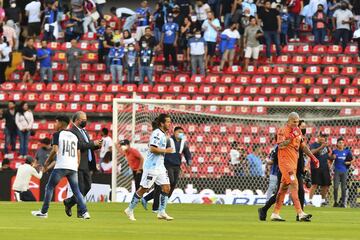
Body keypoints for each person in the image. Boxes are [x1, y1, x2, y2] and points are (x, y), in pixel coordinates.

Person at [32, 115, 90, 219]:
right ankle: (85, 212)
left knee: (49, 187)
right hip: (72, 167)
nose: (55, 124)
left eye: (56, 122)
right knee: (77, 191)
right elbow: (78, 152)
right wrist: (76, 164)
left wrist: (46, 162)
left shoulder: (57, 134)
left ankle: (44, 212)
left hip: (61, 166)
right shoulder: (74, 135)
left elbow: (54, 150)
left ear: (61, 123)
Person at [270, 112, 320, 222]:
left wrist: (313, 157)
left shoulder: (298, 132)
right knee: (294, 184)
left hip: (293, 164)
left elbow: (303, 147)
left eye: (297, 122)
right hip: (284, 162)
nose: (296, 124)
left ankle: (275, 213)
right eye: (294, 122)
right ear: (289, 120)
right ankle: (300, 213)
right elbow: (281, 145)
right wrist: (291, 136)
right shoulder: (282, 130)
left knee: (283, 189)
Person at [125, 114, 174, 221]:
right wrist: (166, 150)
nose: (169, 124)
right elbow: (152, 149)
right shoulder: (157, 133)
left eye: (170, 122)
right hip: (151, 167)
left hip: (160, 166)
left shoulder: (163, 134)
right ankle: (129, 209)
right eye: (167, 122)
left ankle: (161, 212)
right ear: (162, 123)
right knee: (144, 189)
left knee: (166, 187)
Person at [259, 119, 311, 221]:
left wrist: (306, 165)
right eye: (302, 127)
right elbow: (275, 156)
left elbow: (302, 154)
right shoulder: (286, 140)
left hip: (297, 170)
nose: (303, 130)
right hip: (285, 169)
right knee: (283, 191)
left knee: (297, 191)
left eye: (304, 128)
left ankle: (296, 214)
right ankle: (265, 209)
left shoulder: (299, 139)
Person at [141, 126, 192, 211]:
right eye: (179, 132)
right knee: (169, 182)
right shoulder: (168, 140)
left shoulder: (184, 143)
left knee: (172, 185)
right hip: (166, 165)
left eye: (182, 132)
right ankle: (157, 206)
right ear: (174, 132)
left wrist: (189, 161)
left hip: (177, 166)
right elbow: (158, 146)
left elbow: (187, 152)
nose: (180, 134)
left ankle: (151, 200)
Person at [63, 111, 102, 218]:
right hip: (78, 163)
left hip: (87, 164)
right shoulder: (72, 131)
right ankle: (81, 212)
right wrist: (91, 144)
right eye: (83, 119)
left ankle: (69, 202)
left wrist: (96, 145)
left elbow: (86, 146)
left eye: (85, 119)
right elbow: (78, 145)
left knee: (87, 187)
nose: (85, 121)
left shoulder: (83, 131)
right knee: (80, 189)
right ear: (76, 120)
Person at [309, 132, 332, 206]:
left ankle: (323, 201)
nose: (322, 138)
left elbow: (327, 156)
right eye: (321, 136)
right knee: (314, 184)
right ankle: (310, 201)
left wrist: (332, 157)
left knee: (325, 184)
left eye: (324, 137)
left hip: (324, 167)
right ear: (317, 137)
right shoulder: (314, 145)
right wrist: (321, 147)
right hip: (315, 167)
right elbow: (311, 152)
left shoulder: (326, 146)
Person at [331, 137, 353, 208]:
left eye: (342, 143)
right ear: (337, 144)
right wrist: (332, 157)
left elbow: (352, 160)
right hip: (337, 171)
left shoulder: (347, 151)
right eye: (339, 143)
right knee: (336, 187)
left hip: (344, 171)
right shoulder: (335, 151)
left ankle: (343, 203)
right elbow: (331, 159)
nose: (341, 144)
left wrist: (348, 162)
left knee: (343, 188)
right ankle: (335, 202)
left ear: (344, 144)